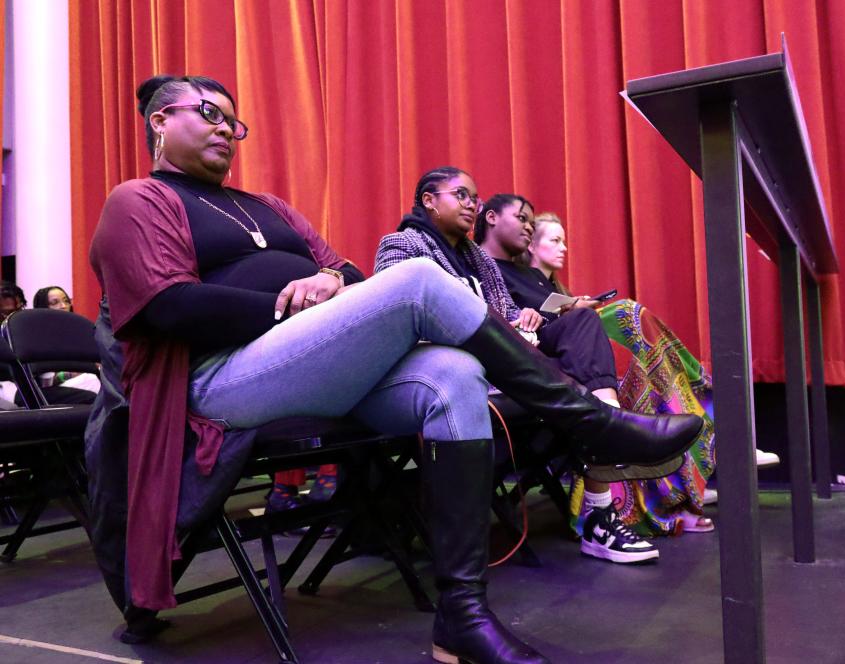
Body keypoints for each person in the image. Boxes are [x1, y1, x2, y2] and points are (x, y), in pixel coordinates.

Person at [88, 75, 702, 664]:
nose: (227, 129)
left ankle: (461, 617)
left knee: (456, 376)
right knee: (415, 280)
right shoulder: (140, 200)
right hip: (221, 382)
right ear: (161, 121)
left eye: (234, 121)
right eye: (211, 114)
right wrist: (289, 308)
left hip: (316, 366)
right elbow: (169, 305)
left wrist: (328, 280)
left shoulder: (267, 206)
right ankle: (592, 422)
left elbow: (350, 273)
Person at [467, 192, 666, 558]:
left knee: (596, 332)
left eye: (531, 220)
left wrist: (552, 313)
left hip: (551, 363)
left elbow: (536, 318)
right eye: (522, 218)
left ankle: (610, 428)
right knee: (609, 327)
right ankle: (611, 435)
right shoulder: (474, 264)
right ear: (491, 217)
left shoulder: (527, 275)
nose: (528, 226)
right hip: (507, 365)